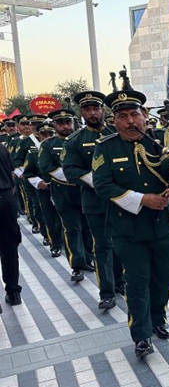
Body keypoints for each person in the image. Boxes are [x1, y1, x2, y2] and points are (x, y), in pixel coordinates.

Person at [93, 85, 169, 358]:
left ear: (145, 116)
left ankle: (159, 319)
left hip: (164, 226)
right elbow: (102, 184)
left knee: (163, 278)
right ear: (113, 121)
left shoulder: (163, 140)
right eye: (122, 117)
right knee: (137, 282)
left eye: (135, 114)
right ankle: (141, 335)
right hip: (128, 229)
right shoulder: (106, 148)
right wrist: (140, 199)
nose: (130, 122)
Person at [63, 91, 124, 291]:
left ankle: (119, 282)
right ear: (81, 113)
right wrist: (97, 180)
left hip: (121, 199)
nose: (92, 113)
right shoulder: (74, 140)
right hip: (94, 201)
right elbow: (70, 170)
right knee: (103, 246)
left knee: (120, 242)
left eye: (96, 108)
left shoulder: (117, 134)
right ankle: (106, 290)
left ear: (103, 110)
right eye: (87, 109)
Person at [39, 109, 97, 290]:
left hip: (85, 190)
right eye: (61, 123)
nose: (65, 126)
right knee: (72, 228)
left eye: (68, 122)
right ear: (54, 125)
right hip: (63, 192)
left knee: (88, 228)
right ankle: (77, 265)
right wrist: (74, 177)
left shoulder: (81, 139)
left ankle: (88, 259)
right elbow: (46, 167)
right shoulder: (48, 145)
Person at [22, 121, 64, 257]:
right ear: (38, 135)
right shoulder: (34, 152)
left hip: (63, 189)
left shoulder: (64, 146)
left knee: (68, 219)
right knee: (50, 218)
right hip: (45, 189)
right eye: (43, 134)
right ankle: (55, 244)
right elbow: (28, 172)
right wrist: (38, 182)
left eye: (50, 133)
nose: (47, 136)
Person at [0, 141, 21, 309]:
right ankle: (14, 292)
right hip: (5, 198)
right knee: (9, 247)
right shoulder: (2, 147)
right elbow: (12, 175)